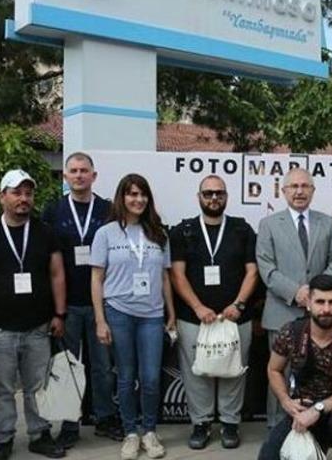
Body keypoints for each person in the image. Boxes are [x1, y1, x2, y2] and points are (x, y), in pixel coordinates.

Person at [0, 170, 67, 460]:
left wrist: (59, 314)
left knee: (38, 385)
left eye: (28, 193)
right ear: (2, 197)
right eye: (16, 192)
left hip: (39, 325)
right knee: (2, 388)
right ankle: (3, 439)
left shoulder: (45, 232)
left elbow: (57, 274)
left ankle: (40, 434)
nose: (24, 199)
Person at [91, 174, 176, 460]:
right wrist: (100, 320)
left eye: (143, 195)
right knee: (126, 377)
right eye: (132, 194)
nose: (138, 200)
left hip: (152, 315)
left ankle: (149, 432)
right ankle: (130, 433)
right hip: (118, 312)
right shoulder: (106, 233)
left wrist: (171, 313)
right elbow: (97, 278)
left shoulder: (158, 234)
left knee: (151, 377)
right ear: (122, 197)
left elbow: (165, 277)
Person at [170, 175, 258, 449]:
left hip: (235, 317)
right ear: (199, 197)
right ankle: (201, 423)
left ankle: (230, 423)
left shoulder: (242, 229)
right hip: (194, 317)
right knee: (197, 373)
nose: (213, 198)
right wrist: (197, 307)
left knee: (234, 370)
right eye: (208, 193)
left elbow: (252, 272)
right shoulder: (182, 231)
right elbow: (177, 273)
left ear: (226, 197)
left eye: (219, 193)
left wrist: (239, 305)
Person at [42, 152, 121, 446]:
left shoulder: (108, 209)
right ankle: (69, 423)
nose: (79, 175)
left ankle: (105, 418)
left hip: (102, 303)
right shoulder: (53, 211)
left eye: (84, 170)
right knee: (68, 367)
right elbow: (47, 261)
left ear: (93, 176)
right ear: (65, 176)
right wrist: (54, 309)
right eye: (73, 171)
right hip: (68, 305)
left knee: (103, 366)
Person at [256, 167, 332, 427]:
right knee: (279, 373)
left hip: (320, 315)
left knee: (315, 374)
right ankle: (276, 427)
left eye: (305, 186)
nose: (299, 191)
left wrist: (316, 294)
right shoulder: (269, 225)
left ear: (313, 191)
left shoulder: (327, 223)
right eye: (293, 186)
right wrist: (296, 292)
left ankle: (313, 427)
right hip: (282, 311)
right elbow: (266, 267)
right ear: (283, 191)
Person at [257, 274, 332, 460]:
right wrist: (285, 401)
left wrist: (318, 409)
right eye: (320, 302)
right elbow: (273, 369)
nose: (326, 309)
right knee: (267, 456)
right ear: (308, 303)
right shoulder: (291, 332)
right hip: (302, 412)